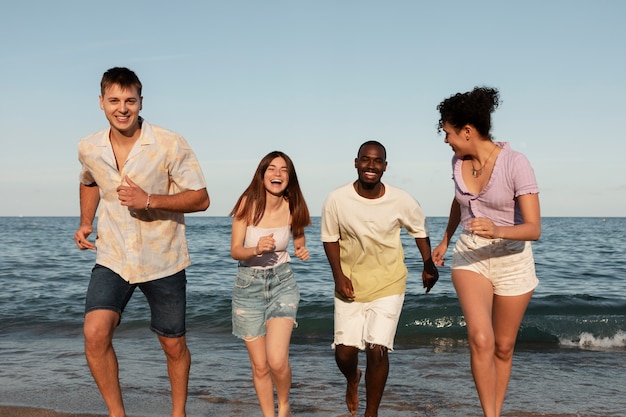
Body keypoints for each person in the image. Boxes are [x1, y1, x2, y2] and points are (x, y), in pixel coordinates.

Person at [74, 67, 210, 417]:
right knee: (94, 333)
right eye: (114, 100)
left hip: (162, 257)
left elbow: (200, 198)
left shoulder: (168, 142)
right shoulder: (89, 147)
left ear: (140, 102)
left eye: (130, 101)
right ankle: (117, 414)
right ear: (101, 102)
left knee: (173, 345)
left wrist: (149, 199)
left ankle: (178, 413)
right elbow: (90, 182)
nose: (122, 108)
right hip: (113, 256)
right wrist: (86, 222)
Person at [432, 87, 541, 417]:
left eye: (448, 133)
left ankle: (495, 410)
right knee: (481, 339)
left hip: (512, 258)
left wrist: (497, 230)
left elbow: (534, 228)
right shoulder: (457, 162)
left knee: (504, 347)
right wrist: (446, 237)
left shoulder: (515, 163)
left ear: (467, 131)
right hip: (470, 256)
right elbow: (458, 199)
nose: (446, 140)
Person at [321, 141, 439, 417]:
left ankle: (371, 413)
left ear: (385, 166)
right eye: (365, 160)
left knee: (377, 349)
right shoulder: (337, 199)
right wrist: (338, 276)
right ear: (356, 162)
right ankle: (352, 379)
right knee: (344, 354)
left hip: (389, 283)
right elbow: (330, 238)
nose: (370, 166)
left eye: (377, 161)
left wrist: (428, 263)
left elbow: (419, 230)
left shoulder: (401, 199)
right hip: (350, 284)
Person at [229, 151, 311, 417]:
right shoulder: (247, 204)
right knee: (260, 365)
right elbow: (235, 251)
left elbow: (298, 238)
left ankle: (284, 406)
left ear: (290, 177)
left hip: (282, 283)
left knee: (277, 360)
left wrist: (301, 249)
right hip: (248, 287)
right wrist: (255, 249)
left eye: (284, 170)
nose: (278, 174)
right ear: (262, 173)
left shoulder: (294, 206)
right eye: (272, 169)